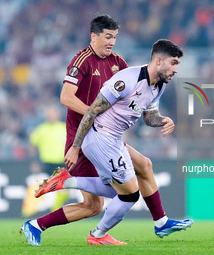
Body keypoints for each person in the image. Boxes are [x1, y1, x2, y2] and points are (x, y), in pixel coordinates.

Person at [20, 14, 192, 246]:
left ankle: (161, 222)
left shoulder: (119, 64)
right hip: (83, 133)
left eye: (115, 37)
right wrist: (90, 124)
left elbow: (136, 99)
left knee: (143, 166)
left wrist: (160, 120)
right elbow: (66, 97)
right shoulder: (81, 61)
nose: (112, 42)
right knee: (96, 205)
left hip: (108, 134)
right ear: (94, 36)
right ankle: (47, 218)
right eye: (107, 37)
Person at [28, 106, 69, 211]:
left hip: (61, 162)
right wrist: (34, 161)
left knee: (64, 188)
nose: (51, 116)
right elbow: (33, 146)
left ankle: (56, 207)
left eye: (53, 113)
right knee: (49, 188)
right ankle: (51, 209)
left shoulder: (64, 128)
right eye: (49, 114)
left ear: (58, 115)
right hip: (46, 163)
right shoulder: (41, 129)